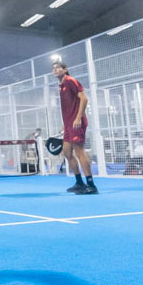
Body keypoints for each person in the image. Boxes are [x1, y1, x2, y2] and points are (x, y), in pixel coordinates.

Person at [52, 61, 97, 194]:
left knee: (79, 152)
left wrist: (78, 118)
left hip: (77, 122)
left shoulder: (71, 81)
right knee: (66, 152)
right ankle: (79, 183)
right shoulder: (61, 86)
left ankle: (91, 185)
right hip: (68, 124)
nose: (55, 70)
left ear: (65, 70)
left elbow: (84, 99)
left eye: (57, 68)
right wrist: (65, 123)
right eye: (53, 69)